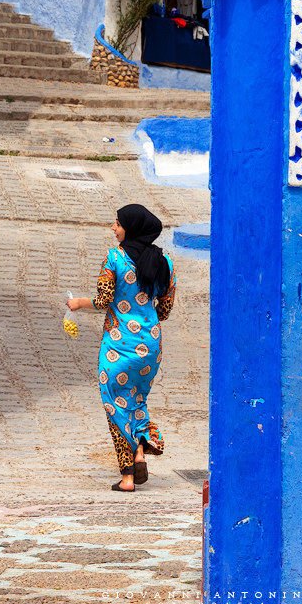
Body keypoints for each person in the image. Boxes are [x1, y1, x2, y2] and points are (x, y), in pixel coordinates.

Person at [67, 204, 176, 491]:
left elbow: (103, 300)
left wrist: (78, 303)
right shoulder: (164, 261)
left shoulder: (114, 258)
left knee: (115, 405)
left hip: (118, 347)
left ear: (131, 228)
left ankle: (127, 477)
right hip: (150, 348)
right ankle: (140, 449)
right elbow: (165, 310)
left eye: (117, 223)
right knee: (137, 400)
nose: (113, 228)